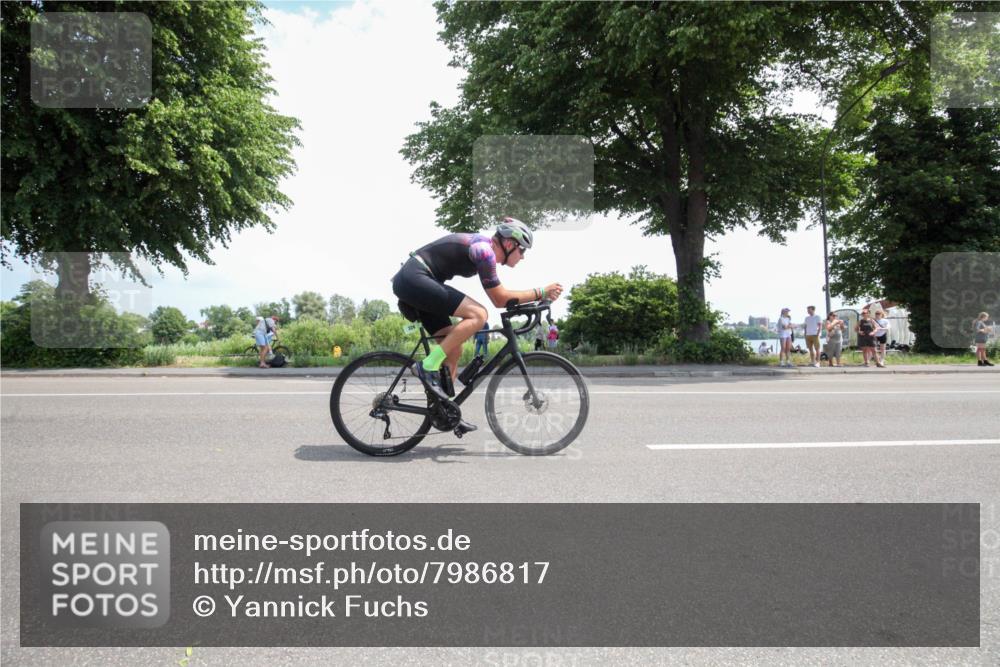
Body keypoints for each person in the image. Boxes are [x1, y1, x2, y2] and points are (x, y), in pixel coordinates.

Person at [392, 218, 562, 433]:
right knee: (478, 314)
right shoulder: (484, 251)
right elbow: (499, 299)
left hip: (419, 280)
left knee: (453, 348)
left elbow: (503, 299)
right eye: (522, 250)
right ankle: (426, 366)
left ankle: (444, 410)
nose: (523, 256)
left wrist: (536, 300)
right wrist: (541, 292)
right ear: (510, 245)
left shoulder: (484, 249)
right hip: (414, 277)